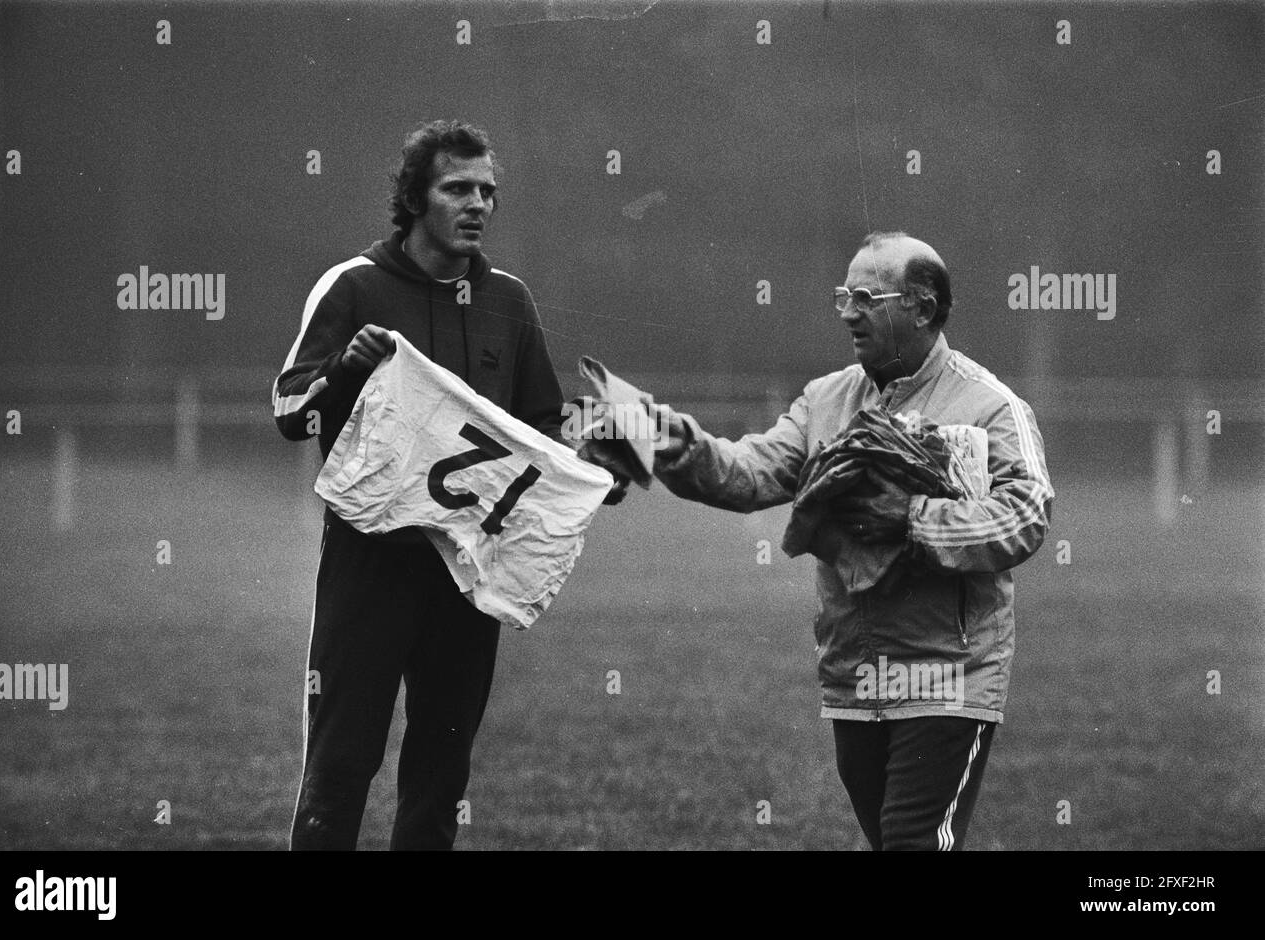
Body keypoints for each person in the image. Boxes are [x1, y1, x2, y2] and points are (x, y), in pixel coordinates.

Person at [651, 232, 1053, 850]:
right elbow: (750, 472)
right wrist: (674, 443)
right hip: (856, 676)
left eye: (866, 296)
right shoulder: (825, 400)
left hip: (949, 676)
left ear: (922, 307)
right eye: (844, 295)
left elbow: (1026, 515)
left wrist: (912, 518)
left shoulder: (990, 406)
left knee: (912, 842)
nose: (847, 312)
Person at [273, 119, 588, 850]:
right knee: (341, 766)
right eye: (458, 188)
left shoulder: (510, 300)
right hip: (369, 568)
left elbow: (539, 424)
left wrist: (590, 469)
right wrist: (347, 369)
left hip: (466, 576)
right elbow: (290, 412)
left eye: (488, 191)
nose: (477, 204)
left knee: (441, 779)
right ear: (416, 196)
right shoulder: (353, 285)